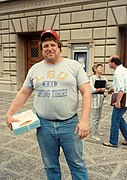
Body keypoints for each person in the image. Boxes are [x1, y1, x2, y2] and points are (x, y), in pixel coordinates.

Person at [5, 29, 92, 180]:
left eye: (52, 44)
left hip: (70, 125)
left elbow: (86, 92)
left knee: (77, 164)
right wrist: (10, 113)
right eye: (45, 46)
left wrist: (84, 120)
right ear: (42, 49)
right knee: (50, 165)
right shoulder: (35, 69)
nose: (49, 48)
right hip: (44, 126)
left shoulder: (74, 66)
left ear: (59, 47)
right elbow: (24, 93)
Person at [103, 55, 127, 147]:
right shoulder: (124, 70)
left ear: (113, 63)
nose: (108, 63)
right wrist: (112, 89)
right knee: (119, 119)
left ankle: (113, 141)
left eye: (109, 62)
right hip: (125, 98)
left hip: (122, 99)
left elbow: (121, 88)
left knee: (115, 120)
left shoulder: (118, 72)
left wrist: (118, 102)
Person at [90, 63, 110, 141]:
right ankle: (94, 134)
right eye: (100, 68)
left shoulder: (103, 78)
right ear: (95, 69)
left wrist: (110, 89)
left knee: (98, 117)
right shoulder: (92, 78)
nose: (102, 69)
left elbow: (108, 86)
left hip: (101, 99)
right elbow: (92, 89)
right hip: (94, 99)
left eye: (102, 68)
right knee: (94, 117)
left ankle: (96, 130)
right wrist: (100, 89)